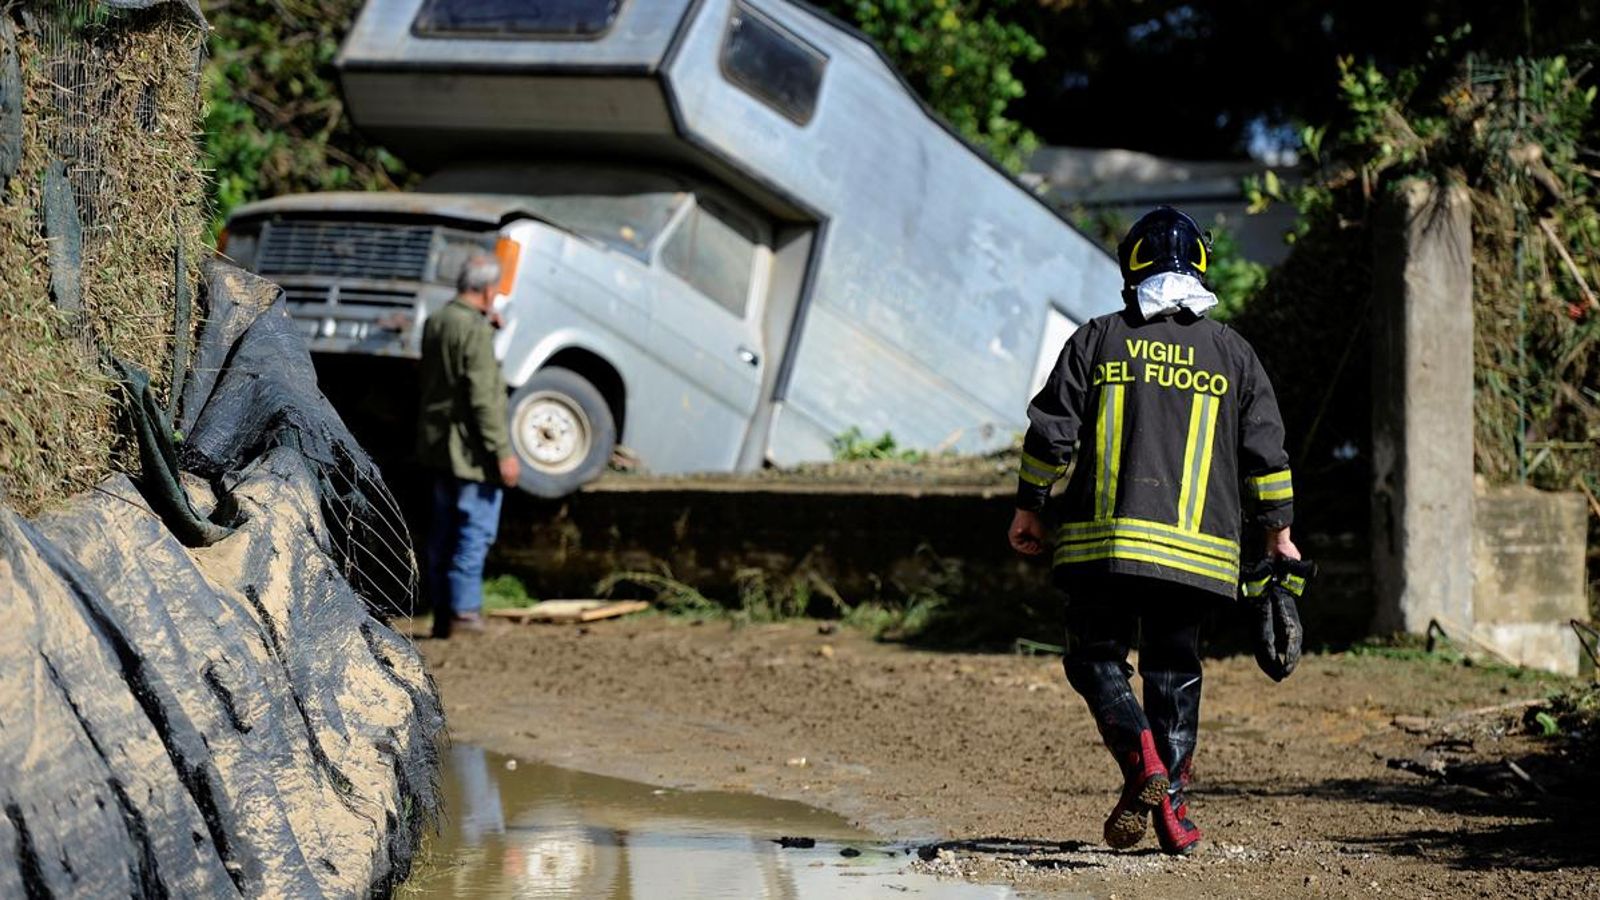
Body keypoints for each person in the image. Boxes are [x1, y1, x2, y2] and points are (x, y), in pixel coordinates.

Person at [1007, 207, 1299, 855]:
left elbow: (1051, 433)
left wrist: (1030, 505)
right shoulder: (1233, 353)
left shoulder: (1098, 339)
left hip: (1101, 549)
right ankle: (1174, 809)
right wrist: (1279, 536)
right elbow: (1266, 455)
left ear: (1129, 268)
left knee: (1095, 660)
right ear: (1200, 267)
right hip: (1199, 557)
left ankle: (1144, 766)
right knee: (1174, 671)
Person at [417, 253, 520, 638]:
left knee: (443, 530)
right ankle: (465, 613)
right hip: (471, 451)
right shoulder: (473, 330)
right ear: (489, 290)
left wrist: (486, 327)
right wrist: (503, 452)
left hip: (438, 445)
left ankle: (444, 612)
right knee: (474, 528)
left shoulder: (437, 320)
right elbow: (481, 397)